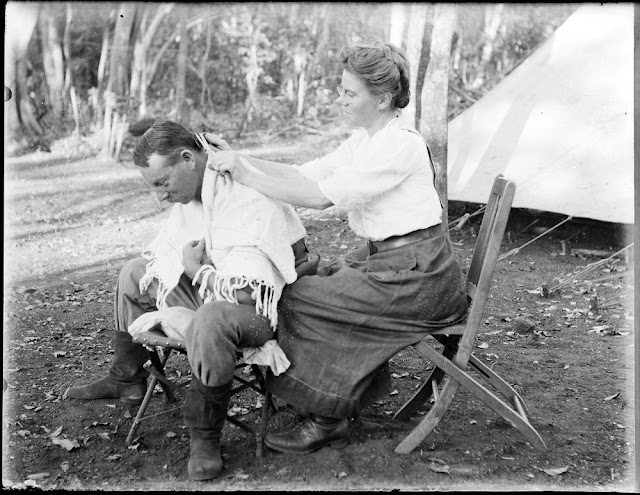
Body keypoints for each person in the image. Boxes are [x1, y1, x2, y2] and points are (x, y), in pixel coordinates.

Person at [202, 40, 470, 455]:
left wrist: (244, 172)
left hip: (422, 278)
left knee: (304, 296)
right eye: (340, 90)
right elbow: (302, 173)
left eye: (349, 93)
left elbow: (318, 196)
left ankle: (329, 418)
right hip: (400, 264)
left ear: (381, 99)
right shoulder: (367, 140)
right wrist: (241, 160)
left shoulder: (399, 145)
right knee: (310, 286)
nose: (340, 99)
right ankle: (339, 399)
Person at [67, 119, 317, 480]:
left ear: (187, 158)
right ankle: (127, 375)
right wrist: (194, 270)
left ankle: (205, 436)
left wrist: (196, 271)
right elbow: (185, 257)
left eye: (162, 183)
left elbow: (249, 291)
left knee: (211, 318)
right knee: (134, 273)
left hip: (257, 309)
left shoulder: (242, 191)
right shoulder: (199, 189)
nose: (161, 196)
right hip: (215, 289)